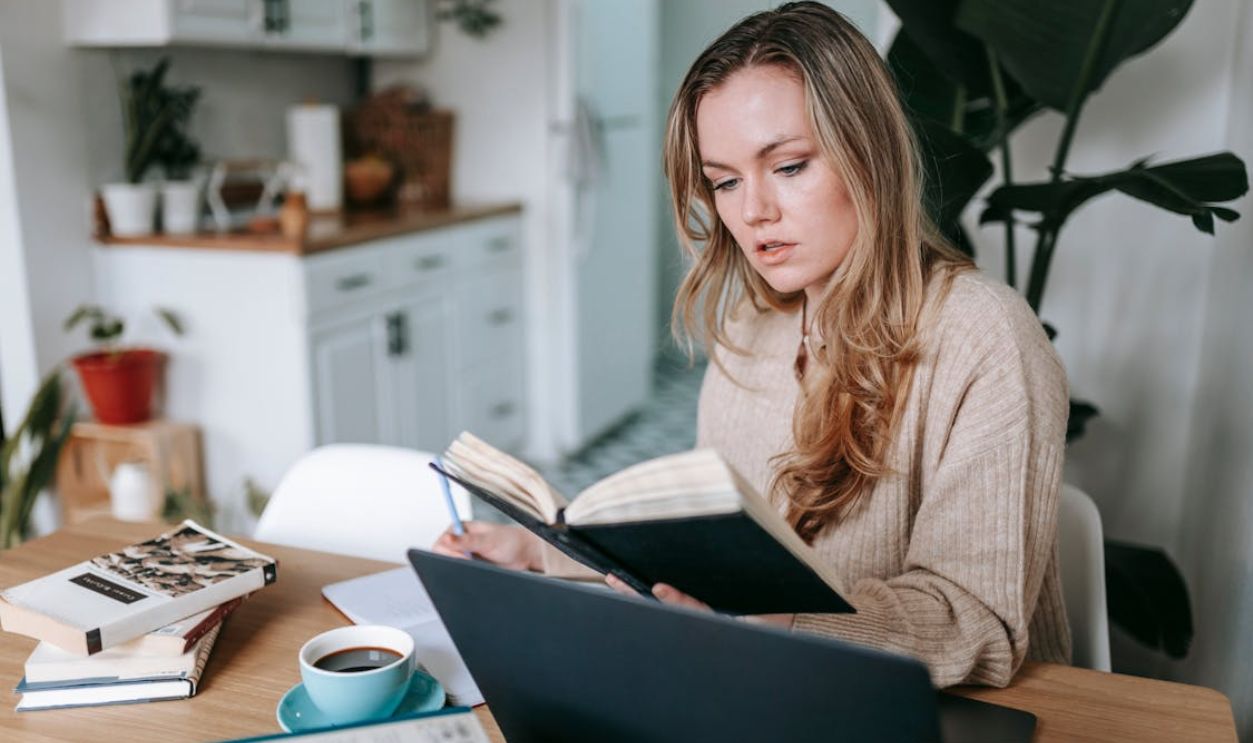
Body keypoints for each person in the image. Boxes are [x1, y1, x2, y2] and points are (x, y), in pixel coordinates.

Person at [434, 2, 1070, 688]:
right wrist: (539, 550)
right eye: (725, 181)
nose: (752, 211)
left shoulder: (985, 337)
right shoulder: (749, 327)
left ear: (871, 154)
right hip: (766, 681)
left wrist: (776, 622)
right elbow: (713, 549)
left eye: (789, 165)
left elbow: (976, 623)